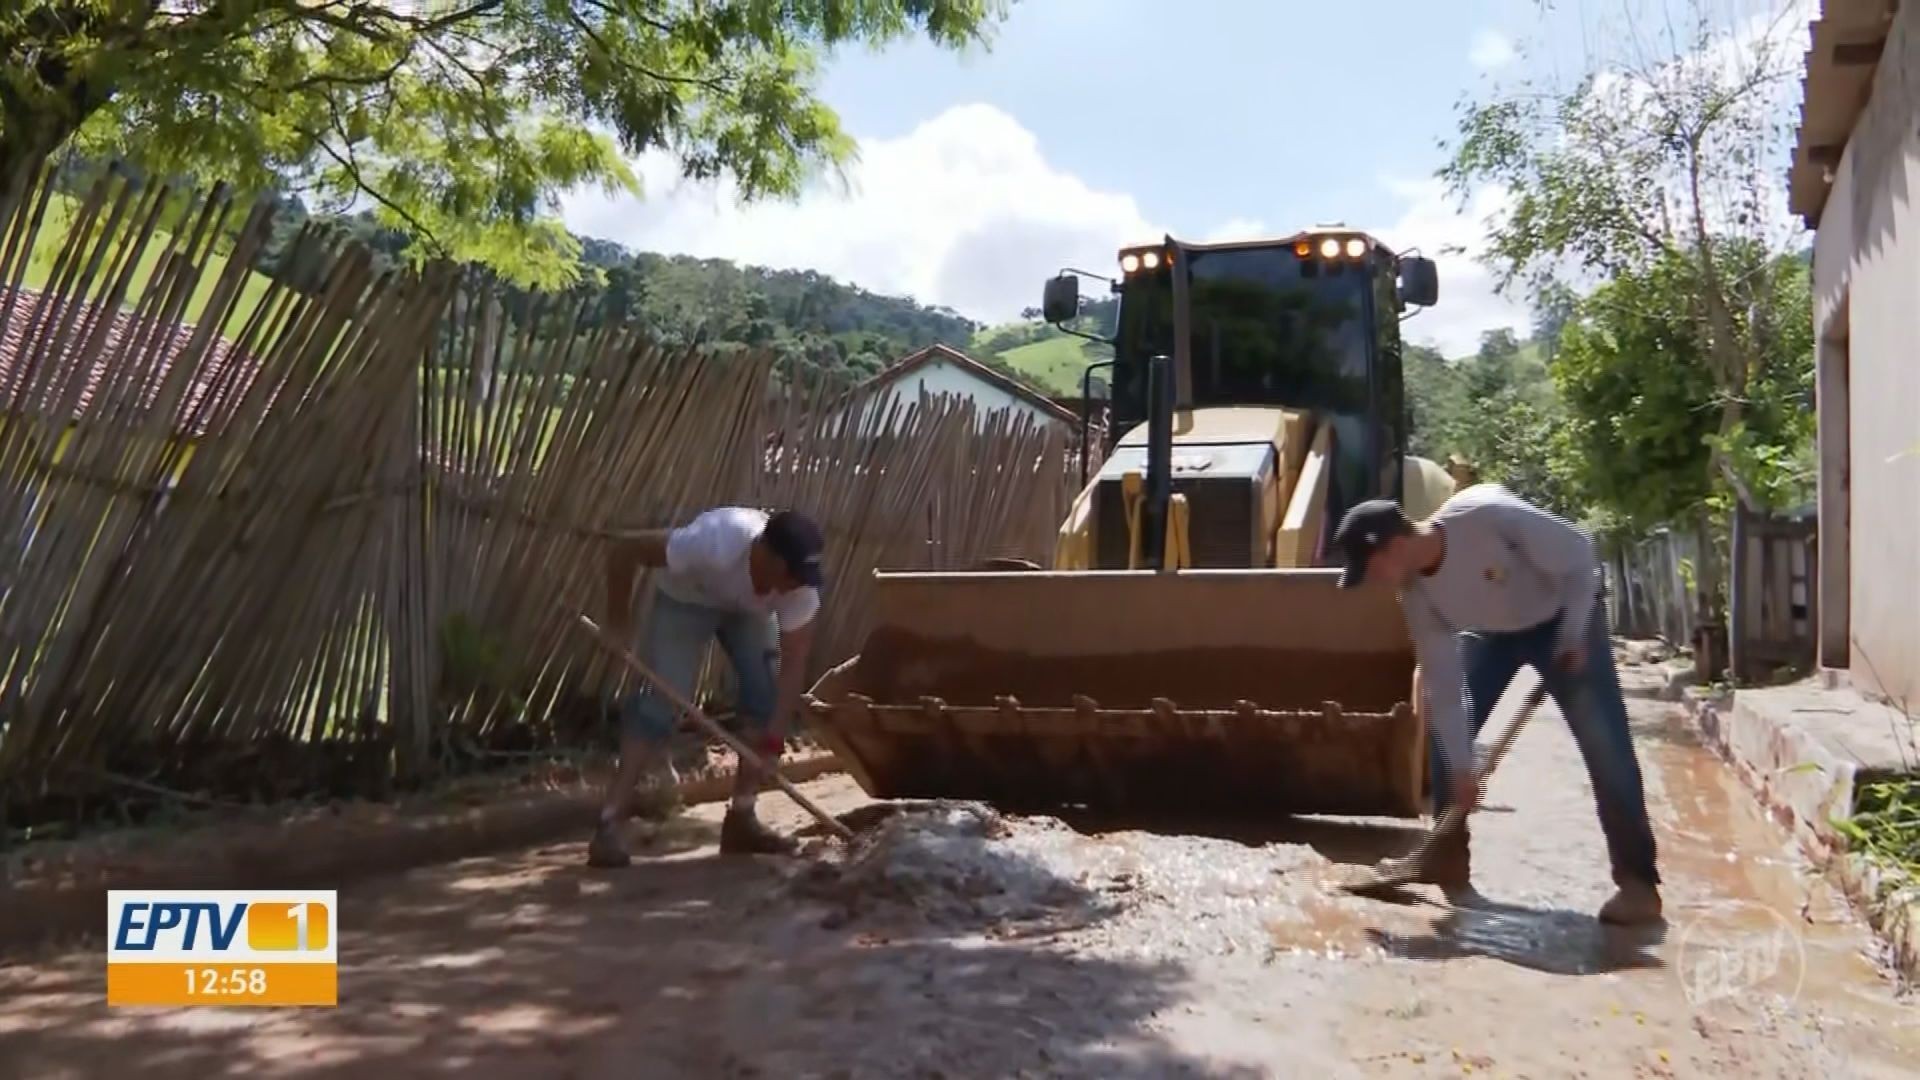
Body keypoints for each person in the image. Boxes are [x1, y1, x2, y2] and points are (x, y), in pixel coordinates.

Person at [1331, 484, 1664, 925]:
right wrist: (1465, 769)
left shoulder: (1487, 518)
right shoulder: (1416, 594)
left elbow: (1582, 555)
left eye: (1371, 568)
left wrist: (1572, 634)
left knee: (1606, 745)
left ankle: (1638, 885)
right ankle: (1444, 855)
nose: (1372, 580)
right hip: (1490, 632)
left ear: (1396, 547)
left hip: (1564, 616)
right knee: (1447, 741)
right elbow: (1444, 686)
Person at [588, 506, 823, 866]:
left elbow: (793, 666)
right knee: (657, 704)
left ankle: (742, 820)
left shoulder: (799, 589)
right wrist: (617, 620)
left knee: (765, 699)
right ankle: (608, 825)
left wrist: (774, 742)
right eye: (792, 574)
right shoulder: (714, 542)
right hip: (688, 599)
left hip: (749, 613)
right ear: (767, 556)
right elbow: (623, 550)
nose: (798, 584)